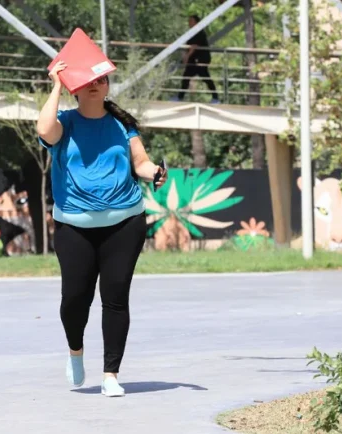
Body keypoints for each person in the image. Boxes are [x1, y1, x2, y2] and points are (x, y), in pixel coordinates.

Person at [37, 61, 167, 397]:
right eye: (88, 80)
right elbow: (43, 130)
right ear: (75, 88)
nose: (95, 85)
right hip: (74, 227)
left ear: (108, 86)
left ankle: (111, 374)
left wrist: (155, 172)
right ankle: (75, 351)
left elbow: (140, 162)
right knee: (75, 299)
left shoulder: (123, 125)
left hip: (124, 223)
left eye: (101, 80)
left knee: (116, 298)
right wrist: (55, 85)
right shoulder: (64, 123)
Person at [176, 14, 220, 103]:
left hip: (200, 60)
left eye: (191, 21)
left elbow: (194, 46)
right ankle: (180, 97)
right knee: (188, 77)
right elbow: (188, 46)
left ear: (196, 22)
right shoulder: (192, 33)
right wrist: (185, 56)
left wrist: (187, 57)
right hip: (194, 60)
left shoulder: (199, 33)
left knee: (204, 77)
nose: (189, 23)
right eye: (189, 21)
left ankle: (215, 98)